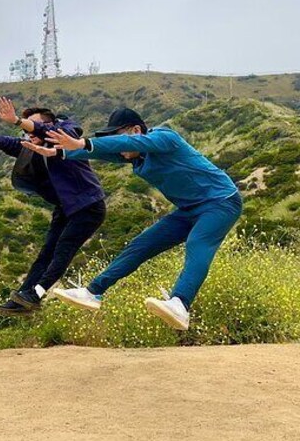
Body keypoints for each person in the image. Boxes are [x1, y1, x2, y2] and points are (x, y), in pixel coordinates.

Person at [25, 107, 242, 330]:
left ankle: (180, 304)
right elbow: (105, 152)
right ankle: (93, 292)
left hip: (221, 201)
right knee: (140, 245)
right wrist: (61, 153)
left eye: (118, 136)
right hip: (189, 209)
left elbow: (126, 145)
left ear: (136, 130)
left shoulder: (165, 138)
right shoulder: (137, 158)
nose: (118, 146)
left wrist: (82, 143)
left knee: (197, 243)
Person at [0, 97, 106, 315]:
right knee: (46, 253)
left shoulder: (66, 132)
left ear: (49, 124)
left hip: (88, 205)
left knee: (63, 248)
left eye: (33, 127)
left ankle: (35, 294)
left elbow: (50, 132)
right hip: (65, 208)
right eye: (27, 130)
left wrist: (17, 120)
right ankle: (23, 298)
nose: (29, 133)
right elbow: (4, 142)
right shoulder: (31, 145)